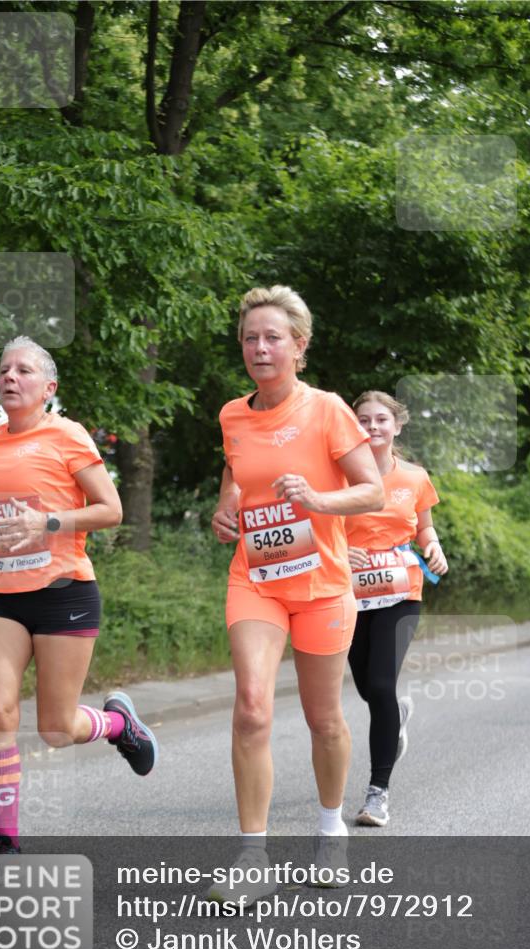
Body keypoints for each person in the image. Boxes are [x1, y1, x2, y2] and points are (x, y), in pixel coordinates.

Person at [0, 336, 157, 855]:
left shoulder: (67, 435)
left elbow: (111, 510)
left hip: (64, 593)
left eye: (24, 370)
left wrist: (50, 522)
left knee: (56, 730)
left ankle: (119, 724)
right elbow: (2, 515)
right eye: (4, 370)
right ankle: (5, 841)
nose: (10, 377)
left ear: (49, 388)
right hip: (2, 596)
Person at [209, 286, 384, 898]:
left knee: (324, 718)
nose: (259, 347)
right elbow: (235, 473)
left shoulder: (327, 409)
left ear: (299, 346)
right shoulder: (233, 415)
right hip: (256, 579)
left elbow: (372, 490)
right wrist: (226, 508)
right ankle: (252, 858)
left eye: (272, 337)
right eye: (250, 338)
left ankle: (330, 831)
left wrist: (318, 499)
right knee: (252, 707)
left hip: (322, 584)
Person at [345, 391, 448, 828]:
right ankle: (397, 717)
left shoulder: (415, 477)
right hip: (348, 592)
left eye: (381, 419)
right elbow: (320, 525)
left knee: (382, 684)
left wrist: (434, 548)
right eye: (363, 419)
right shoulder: (338, 474)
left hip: (401, 591)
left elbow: (424, 528)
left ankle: (378, 793)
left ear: (397, 425)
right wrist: (339, 551)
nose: (372, 427)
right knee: (367, 687)